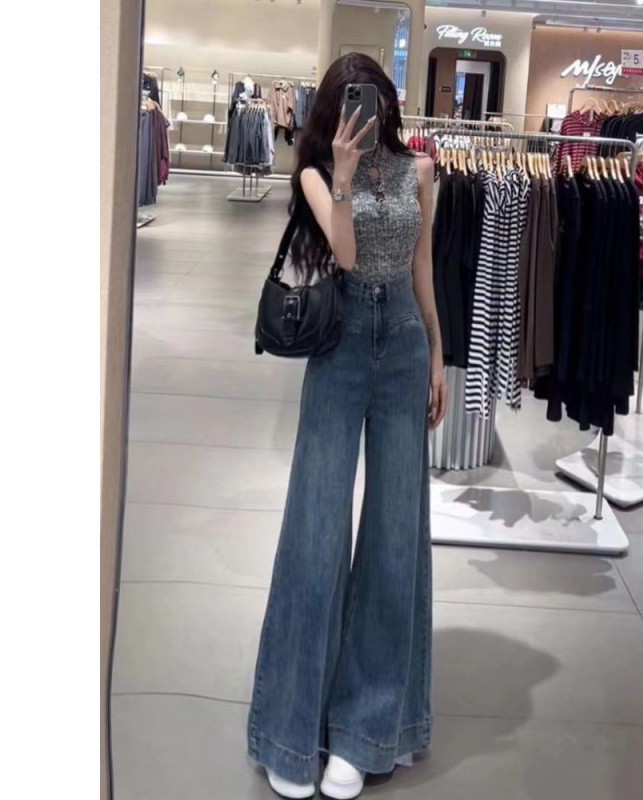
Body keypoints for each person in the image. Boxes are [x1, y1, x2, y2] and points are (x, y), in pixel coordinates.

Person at [246, 53, 447, 800]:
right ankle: (290, 731)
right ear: (333, 111)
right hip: (340, 344)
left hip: (403, 345)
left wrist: (438, 355)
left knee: (396, 537)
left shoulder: (422, 171)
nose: (364, 114)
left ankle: (366, 730)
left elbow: (422, 268)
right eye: (349, 103)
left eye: (373, 102)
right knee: (316, 529)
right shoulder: (314, 174)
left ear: (388, 104)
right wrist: (341, 172)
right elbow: (348, 254)